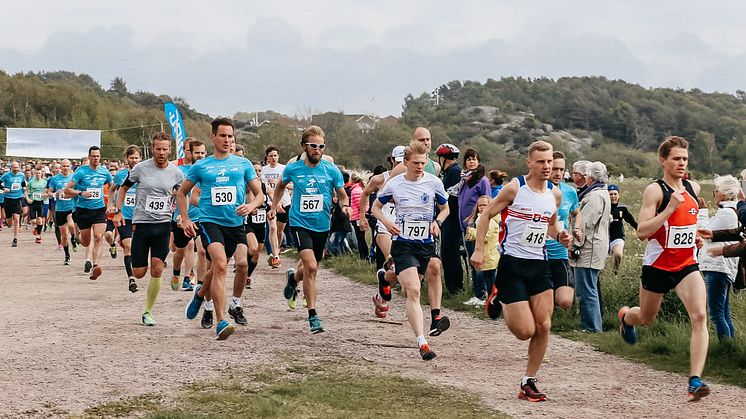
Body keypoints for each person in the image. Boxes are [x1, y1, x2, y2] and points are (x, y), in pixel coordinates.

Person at [471, 140, 572, 402]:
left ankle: (528, 381)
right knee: (525, 331)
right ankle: (498, 294)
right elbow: (486, 215)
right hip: (512, 265)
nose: (546, 166)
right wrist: (479, 249)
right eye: (540, 162)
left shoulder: (555, 194)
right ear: (529, 163)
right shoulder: (515, 188)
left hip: (540, 264)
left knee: (544, 325)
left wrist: (561, 235)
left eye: (549, 161)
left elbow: (551, 226)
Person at [619, 136, 710, 402]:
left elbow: (687, 222)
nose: (682, 163)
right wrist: (669, 209)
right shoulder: (655, 191)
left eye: (685, 159)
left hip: (686, 264)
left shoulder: (693, 187)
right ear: (663, 161)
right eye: (676, 159)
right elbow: (642, 232)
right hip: (657, 266)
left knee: (700, 316)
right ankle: (626, 318)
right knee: (646, 318)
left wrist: (694, 235)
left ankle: (695, 380)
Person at [180, 117, 264, 340]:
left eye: (230, 136)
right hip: (210, 222)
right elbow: (181, 193)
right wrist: (186, 219)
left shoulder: (243, 164)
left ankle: (200, 294)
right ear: (213, 137)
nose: (227, 140)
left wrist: (251, 205)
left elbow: (260, 195)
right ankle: (220, 320)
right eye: (223, 136)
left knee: (225, 267)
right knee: (219, 265)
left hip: (235, 223)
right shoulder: (202, 166)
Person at [372, 141, 451, 360]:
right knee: (414, 290)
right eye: (415, 163)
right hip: (403, 243)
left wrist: (438, 221)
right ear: (405, 162)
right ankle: (422, 342)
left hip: (425, 244)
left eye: (423, 163)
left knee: (415, 280)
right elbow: (375, 208)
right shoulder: (394, 184)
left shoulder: (434, 183)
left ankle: (385, 279)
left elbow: (446, 208)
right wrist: (387, 223)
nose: (419, 167)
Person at [270, 125, 349, 334]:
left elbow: (342, 194)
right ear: (304, 146)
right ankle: (313, 315)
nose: (317, 149)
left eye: (321, 146)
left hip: (322, 225)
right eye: (313, 146)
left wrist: (345, 205)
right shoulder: (293, 169)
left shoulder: (331, 170)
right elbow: (279, 186)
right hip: (299, 223)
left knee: (308, 268)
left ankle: (293, 278)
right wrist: (273, 206)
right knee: (312, 267)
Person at [112, 132, 185, 326]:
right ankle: (136, 272)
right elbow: (123, 188)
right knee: (139, 272)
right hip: (142, 225)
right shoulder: (140, 168)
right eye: (158, 149)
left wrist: (182, 215)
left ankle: (148, 311)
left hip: (163, 225)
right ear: (152, 149)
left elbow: (181, 194)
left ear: (170, 150)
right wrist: (118, 211)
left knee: (157, 267)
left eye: (165, 149)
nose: (161, 152)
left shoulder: (176, 172)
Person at [359, 146, 405, 316]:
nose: (401, 165)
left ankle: (381, 295)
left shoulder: (412, 179)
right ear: (392, 161)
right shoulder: (380, 179)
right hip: (384, 225)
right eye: (398, 161)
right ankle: (383, 295)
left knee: (397, 269)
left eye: (404, 162)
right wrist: (362, 217)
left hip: (403, 228)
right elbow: (365, 194)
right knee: (392, 261)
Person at [696, 175, 739, 343]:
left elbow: (705, 232)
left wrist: (702, 212)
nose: (715, 195)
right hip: (721, 267)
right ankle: (730, 345)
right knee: (723, 312)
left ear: (724, 194)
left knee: (716, 313)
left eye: (716, 191)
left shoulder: (727, 213)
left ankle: (726, 348)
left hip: (717, 266)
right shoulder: (728, 211)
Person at [569, 161, 610, 332]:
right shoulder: (603, 193)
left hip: (589, 247)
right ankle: (592, 325)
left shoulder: (594, 196)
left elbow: (584, 224)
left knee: (586, 289)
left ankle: (592, 327)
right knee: (589, 287)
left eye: (586, 175)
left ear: (591, 177)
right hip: (595, 245)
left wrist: (574, 246)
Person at [66, 146, 113, 280]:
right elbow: (67, 190)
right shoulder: (81, 172)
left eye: (98, 156)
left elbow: (112, 187)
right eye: (93, 156)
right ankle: (77, 237)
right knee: (86, 242)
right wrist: (80, 193)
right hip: (83, 210)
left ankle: (96, 265)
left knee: (98, 237)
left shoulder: (104, 172)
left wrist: (110, 202)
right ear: (89, 157)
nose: (96, 158)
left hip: (98, 210)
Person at [546, 151, 581, 309]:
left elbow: (576, 213)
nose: (558, 173)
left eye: (561, 169)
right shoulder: (535, 190)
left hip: (559, 250)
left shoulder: (570, 192)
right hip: (537, 253)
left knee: (566, 301)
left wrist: (577, 228)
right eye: (555, 168)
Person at [458, 148, 491, 304]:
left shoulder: (482, 180)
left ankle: (482, 294)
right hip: (465, 226)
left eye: (474, 159)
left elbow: (487, 201)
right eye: (469, 159)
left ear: (478, 162)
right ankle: (477, 293)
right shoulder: (465, 179)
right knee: (472, 260)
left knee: (478, 260)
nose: (471, 161)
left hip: (477, 225)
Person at [171, 139, 204, 292]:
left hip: (200, 216)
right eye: (194, 152)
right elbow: (172, 191)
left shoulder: (206, 170)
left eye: (201, 152)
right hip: (181, 216)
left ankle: (189, 278)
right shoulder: (179, 170)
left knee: (199, 248)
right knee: (179, 251)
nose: (198, 155)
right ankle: (176, 272)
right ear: (187, 152)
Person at [109, 145, 142, 292]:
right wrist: (111, 204)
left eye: (136, 157)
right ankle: (131, 279)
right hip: (124, 216)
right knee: (128, 245)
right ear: (126, 159)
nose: (134, 160)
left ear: (140, 158)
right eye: (131, 158)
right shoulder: (120, 175)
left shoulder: (145, 174)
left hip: (141, 216)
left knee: (138, 247)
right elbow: (112, 190)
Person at [436, 143, 464, 294]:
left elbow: (451, 197)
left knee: (450, 253)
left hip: (451, 218)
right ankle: (452, 286)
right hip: (448, 218)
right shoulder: (450, 172)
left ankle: (455, 287)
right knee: (447, 252)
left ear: (443, 158)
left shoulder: (454, 172)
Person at [462, 195, 498, 305]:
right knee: (483, 277)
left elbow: (485, 236)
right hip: (483, 254)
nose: (482, 207)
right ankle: (483, 298)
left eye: (485, 205)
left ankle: (486, 299)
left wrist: (471, 231)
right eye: (480, 205)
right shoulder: (478, 219)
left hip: (489, 255)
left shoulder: (490, 221)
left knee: (487, 279)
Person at [261, 146, 290, 268]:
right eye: (271, 156)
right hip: (270, 203)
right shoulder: (263, 170)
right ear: (267, 158)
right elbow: (260, 187)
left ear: (278, 156)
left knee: (279, 230)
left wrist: (280, 184)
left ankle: (276, 250)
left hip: (284, 202)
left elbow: (293, 184)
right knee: (272, 228)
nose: (273, 158)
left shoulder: (284, 169)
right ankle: (275, 256)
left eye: (275, 155)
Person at [47, 160, 77, 265]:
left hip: (71, 207)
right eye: (63, 166)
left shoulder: (74, 177)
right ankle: (67, 255)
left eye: (67, 166)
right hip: (60, 209)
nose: (65, 168)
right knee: (64, 235)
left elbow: (78, 189)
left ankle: (73, 238)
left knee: (71, 225)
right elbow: (49, 192)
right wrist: (55, 194)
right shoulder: (55, 179)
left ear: (70, 167)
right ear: (60, 167)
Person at [608, 184, 638, 274]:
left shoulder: (622, 208)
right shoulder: (603, 207)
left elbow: (631, 221)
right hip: (604, 237)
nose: (613, 196)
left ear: (619, 195)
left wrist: (639, 229)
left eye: (615, 194)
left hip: (617, 236)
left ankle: (615, 272)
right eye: (611, 194)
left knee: (618, 254)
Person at [0, 161, 27, 247]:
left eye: (17, 168)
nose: (16, 169)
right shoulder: (6, 175)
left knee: (16, 218)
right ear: (11, 168)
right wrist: (4, 188)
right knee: (9, 221)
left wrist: (24, 187)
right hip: (8, 199)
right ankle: (8, 222)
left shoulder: (21, 175)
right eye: (14, 168)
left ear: (19, 167)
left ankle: (15, 239)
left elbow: (23, 183)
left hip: (17, 199)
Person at [348, 171, 369, 260]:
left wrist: (362, 215)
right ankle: (364, 255)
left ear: (352, 180)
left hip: (357, 217)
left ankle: (363, 256)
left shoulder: (355, 191)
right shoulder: (358, 189)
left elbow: (361, 204)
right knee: (360, 237)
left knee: (360, 238)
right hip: (358, 216)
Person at [26, 169, 48, 244]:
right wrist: (28, 198)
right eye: (36, 173)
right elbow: (26, 191)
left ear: (41, 174)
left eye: (39, 173)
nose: (38, 174)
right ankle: (36, 227)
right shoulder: (31, 182)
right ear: (34, 173)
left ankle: (38, 236)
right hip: (33, 202)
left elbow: (47, 192)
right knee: (33, 221)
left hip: (40, 202)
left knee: (40, 220)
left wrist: (45, 195)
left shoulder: (44, 182)